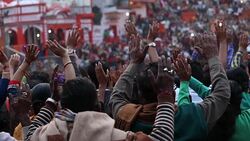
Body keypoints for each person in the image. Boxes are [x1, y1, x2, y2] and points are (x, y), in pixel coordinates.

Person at [24, 36, 175, 141]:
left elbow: (28, 134)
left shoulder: (46, 135)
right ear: (98, 107)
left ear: (61, 105)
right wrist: (165, 95)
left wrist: (51, 101)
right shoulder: (112, 136)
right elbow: (161, 138)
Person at [109, 28, 230, 140]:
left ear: (139, 94)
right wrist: (213, 56)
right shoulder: (192, 115)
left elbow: (116, 96)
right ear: (172, 91)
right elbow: (222, 93)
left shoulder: (127, 116)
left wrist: (134, 62)